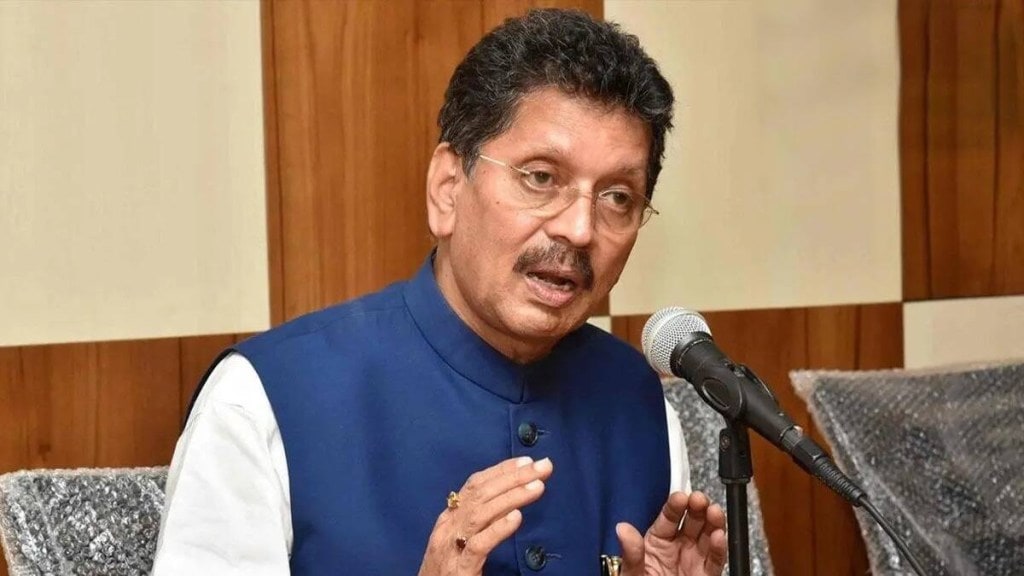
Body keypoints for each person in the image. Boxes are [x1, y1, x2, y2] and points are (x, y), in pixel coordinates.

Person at [152, 8, 727, 576]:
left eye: (618, 197)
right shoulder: (262, 401)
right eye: (541, 177)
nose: (580, 229)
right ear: (448, 188)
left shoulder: (641, 404)